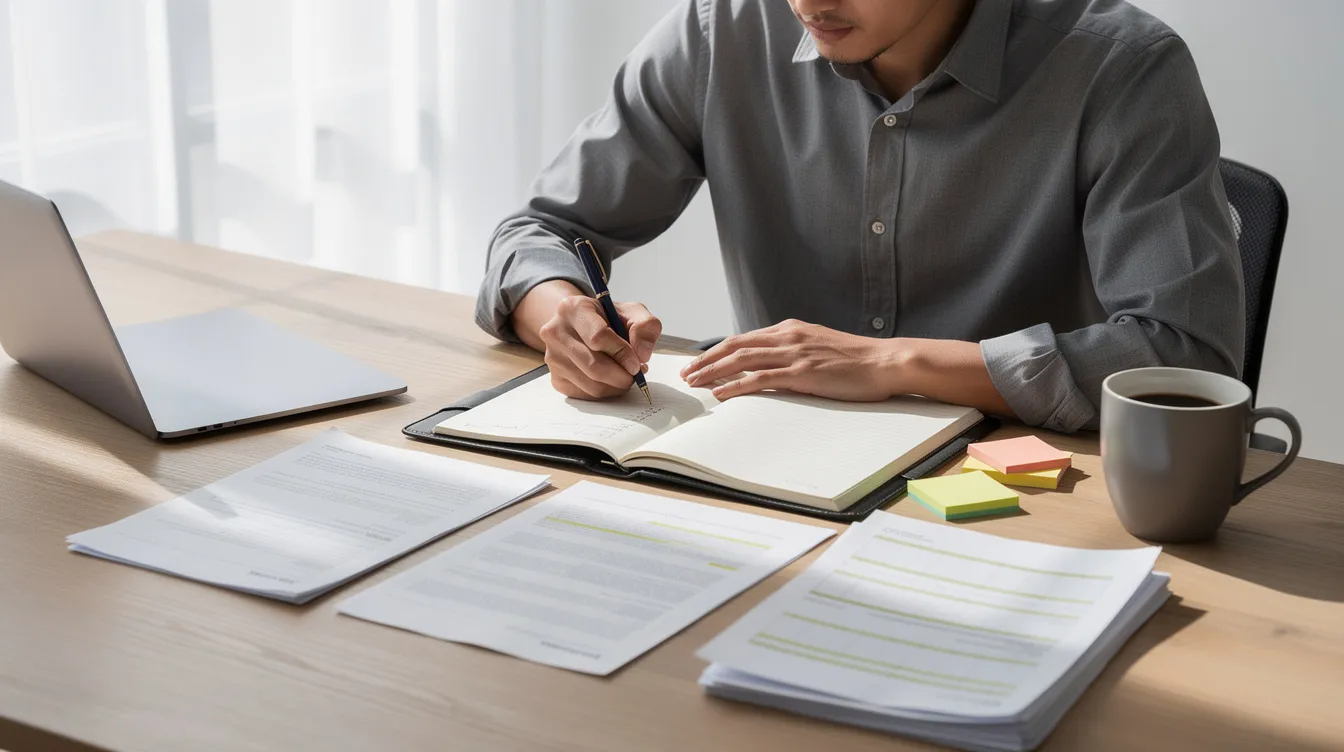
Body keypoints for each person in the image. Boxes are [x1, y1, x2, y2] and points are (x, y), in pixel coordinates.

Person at [474, 0, 1244, 433]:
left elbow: (1184, 357)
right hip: (774, 473)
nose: (810, 0)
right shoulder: (722, 30)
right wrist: (564, 319)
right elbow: (539, 233)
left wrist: (892, 363)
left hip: (1025, 496)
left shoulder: (1121, 68)